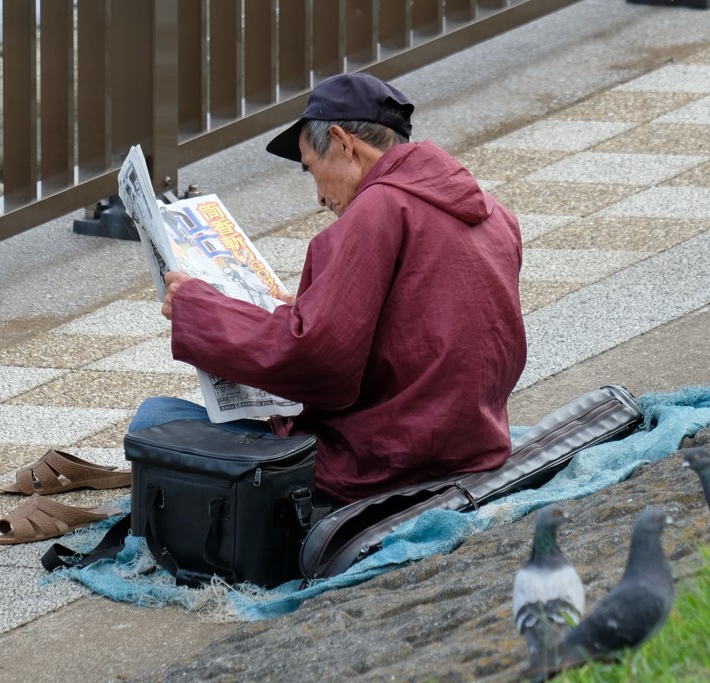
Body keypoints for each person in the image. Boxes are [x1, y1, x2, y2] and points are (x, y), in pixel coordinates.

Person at [130, 72, 527, 507]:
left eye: (311, 168)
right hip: (472, 444)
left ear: (341, 142)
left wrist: (199, 308)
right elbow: (420, 322)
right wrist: (308, 306)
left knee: (156, 419)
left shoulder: (378, 209)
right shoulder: (493, 214)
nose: (319, 196)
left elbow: (316, 361)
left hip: (383, 463)